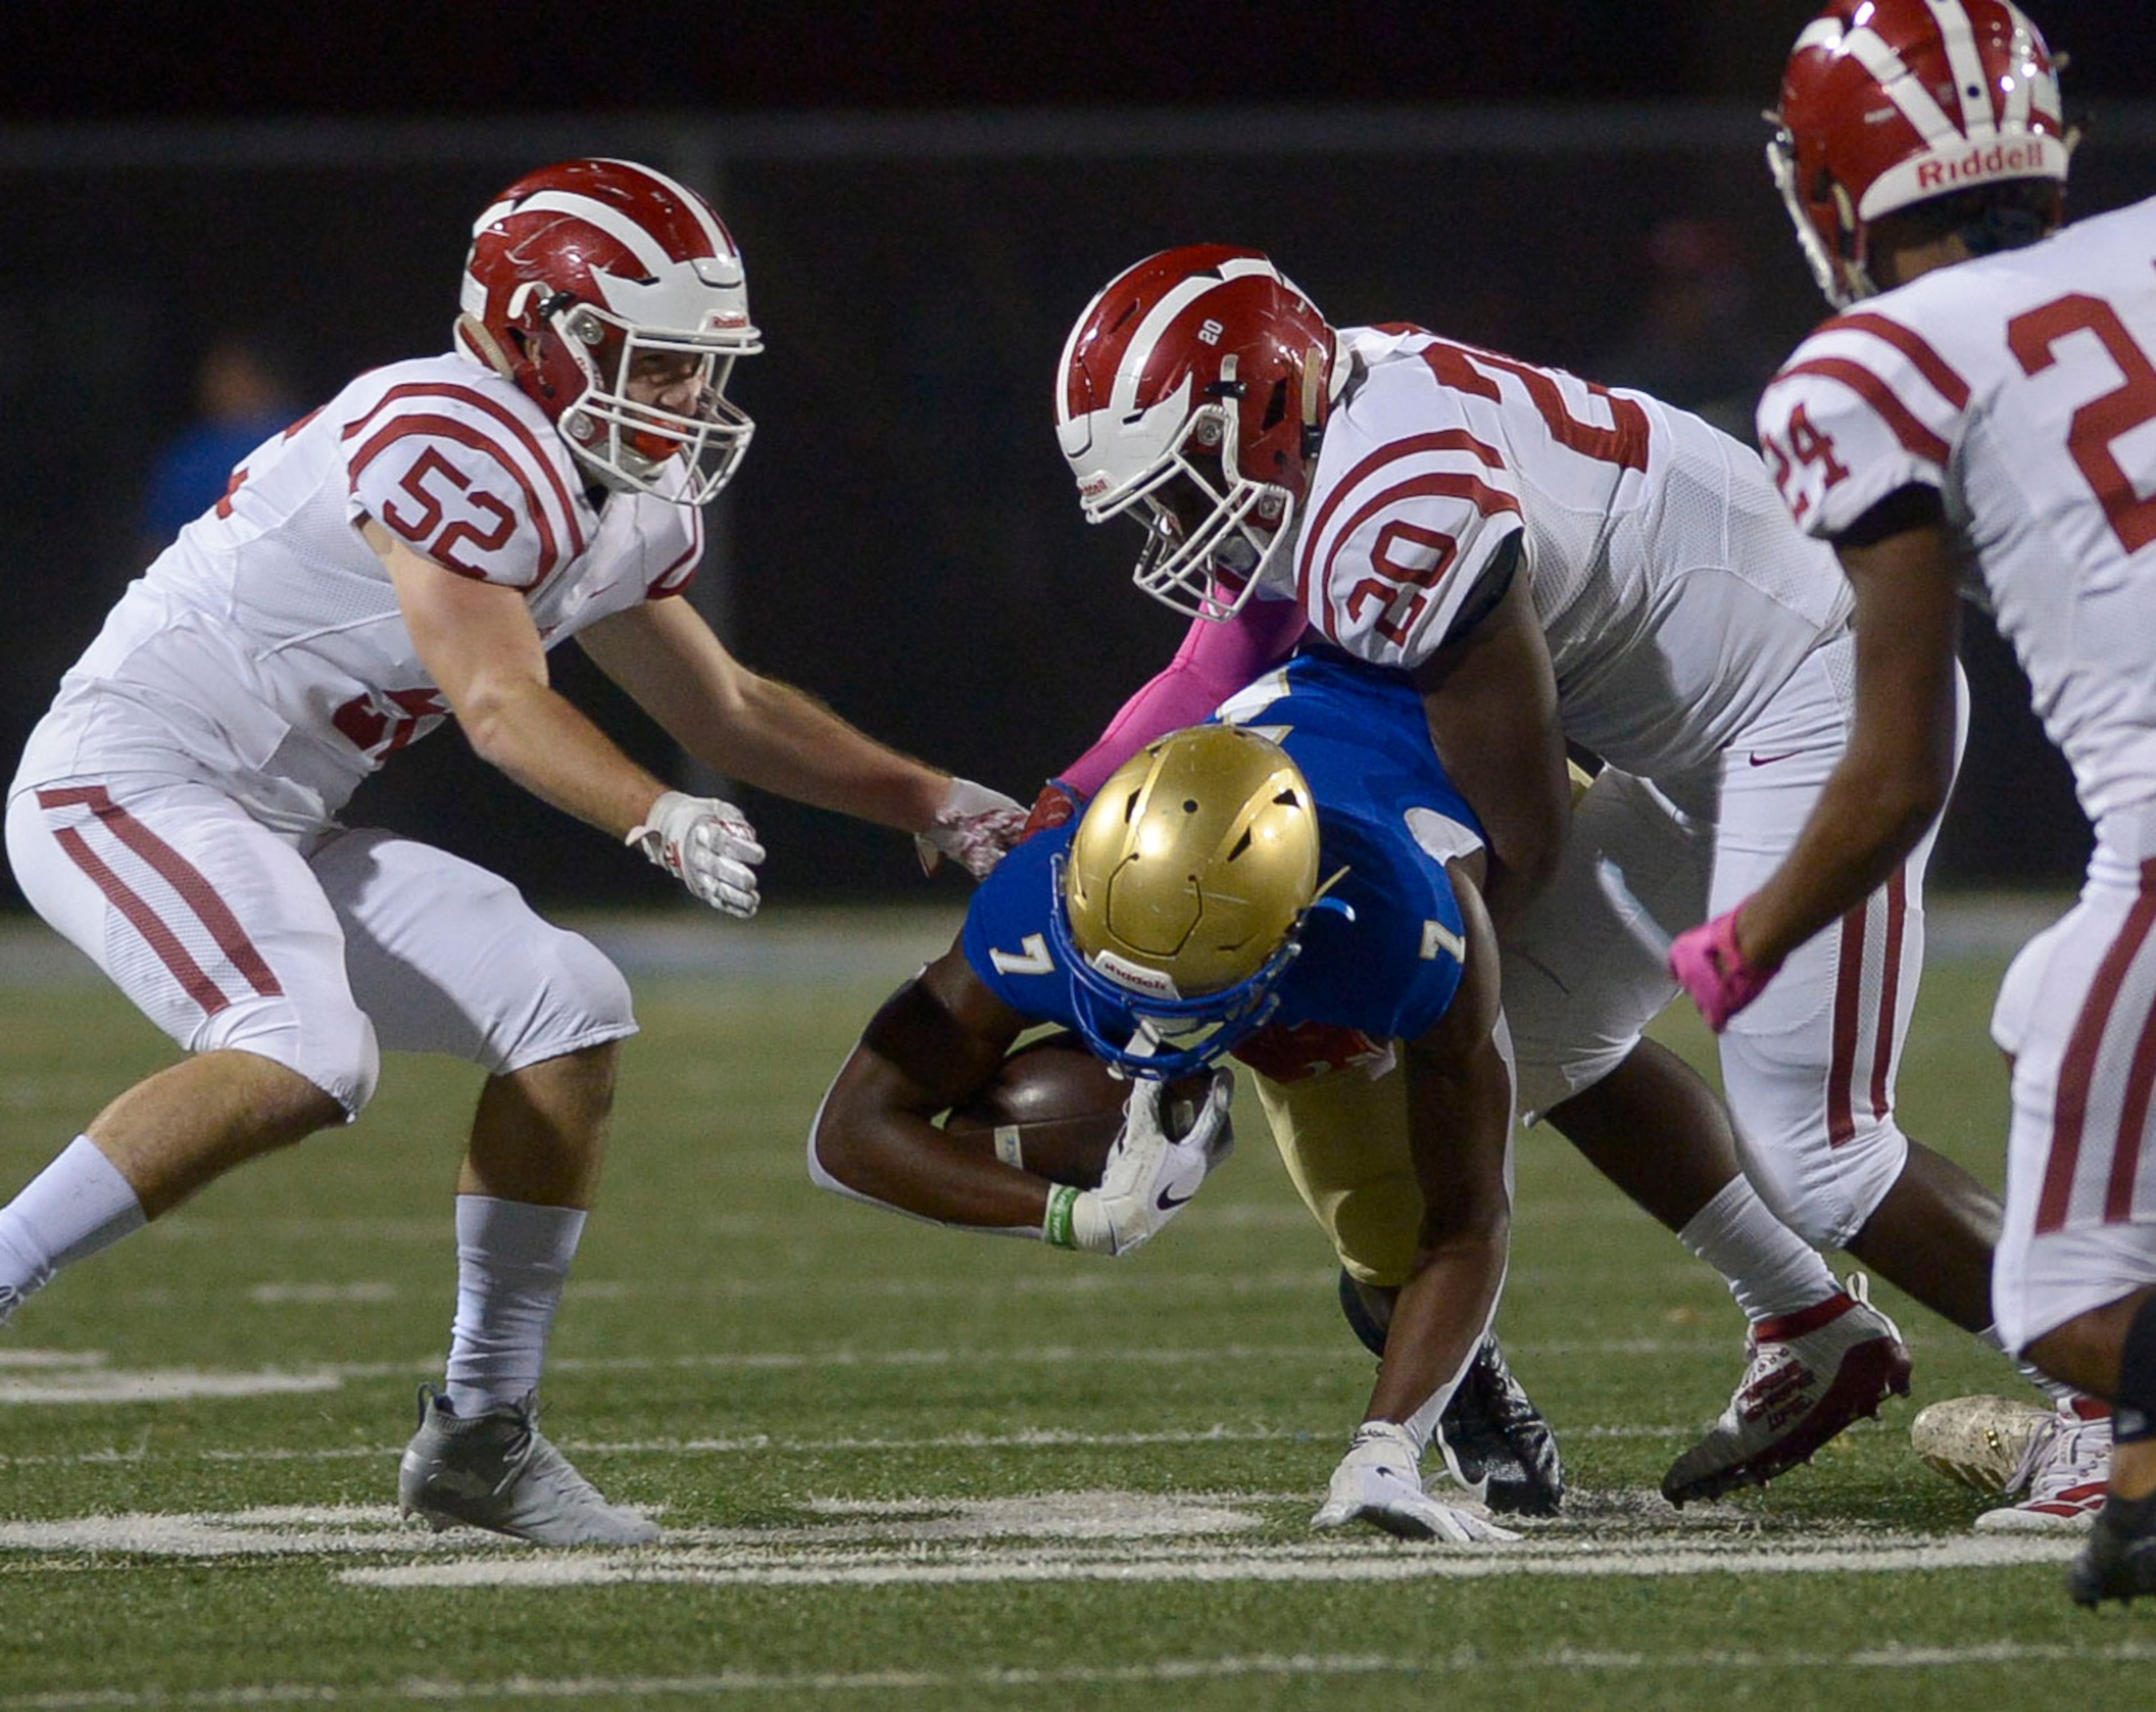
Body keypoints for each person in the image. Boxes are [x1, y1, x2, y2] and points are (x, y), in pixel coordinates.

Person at [0, 158, 1022, 1546]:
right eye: (651, 361)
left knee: (569, 1004)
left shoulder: (618, 482)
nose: (681, 400)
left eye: (694, 366)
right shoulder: (450, 428)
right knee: (304, 1044)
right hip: (126, 780)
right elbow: (495, 704)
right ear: (537, 329)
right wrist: (651, 814)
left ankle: (480, 1432)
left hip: (275, 815)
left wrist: (930, 798)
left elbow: (719, 704)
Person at [1039, 234, 2106, 1521]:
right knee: (1533, 1029)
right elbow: (1222, 654)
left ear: (1255, 410)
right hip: (1701, 728)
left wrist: (1383, 974)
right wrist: (1062, 809)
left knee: (1821, 1146)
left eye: (1179, 482)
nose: (1170, 524)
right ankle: (1808, 1321)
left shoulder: (1396, 510)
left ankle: (2112, 1401)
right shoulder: (1342, 411)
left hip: (1813, 694)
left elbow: (1526, 825)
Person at [1666, 0, 2152, 1602]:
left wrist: (1751, 937)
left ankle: (2123, 1439)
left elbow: (1892, 770)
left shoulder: (1865, 368)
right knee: (2034, 1008)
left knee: (2065, 1298)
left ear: (1831, 185)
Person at [812, 651, 1525, 1541]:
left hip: (1473, 784)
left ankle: (1760, 1301)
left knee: (1574, 1059)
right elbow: (849, 1132)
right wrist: (1081, 1214)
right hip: (1276, 878)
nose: (1145, 1034)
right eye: (1124, 985)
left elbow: (1471, 1218)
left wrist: (1384, 1455)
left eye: (1180, 995)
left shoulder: (1407, 934)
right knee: (1385, 1237)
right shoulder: (1036, 898)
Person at [138, 335, 302, 564]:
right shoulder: (192, 454)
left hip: (290, 568)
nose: (224, 386)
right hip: (210, 576)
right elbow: (160, 539)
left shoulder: (300, 435)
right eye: (217, 377)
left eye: (235, 376)